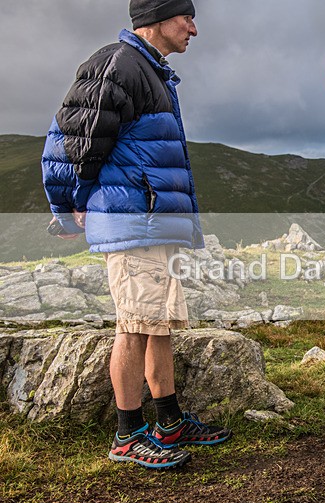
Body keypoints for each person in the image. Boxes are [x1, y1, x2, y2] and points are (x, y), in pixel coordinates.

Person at [42, 0, 230, 470]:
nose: (193, 29)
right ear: (159, 18)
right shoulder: (119, 65)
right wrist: (69, 206)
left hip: (153, 222)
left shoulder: (150, 70)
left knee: (157, 324)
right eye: (187, 18)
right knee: (133, 326)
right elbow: (72, 140)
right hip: (133, 222)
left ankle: (169, 420)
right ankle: (127, 435)